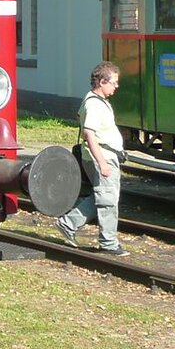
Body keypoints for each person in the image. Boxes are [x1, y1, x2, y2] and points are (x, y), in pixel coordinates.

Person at [56, 61, 128, 256]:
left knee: (103, 196)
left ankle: (68, 223)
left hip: (103, 156)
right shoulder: (94, 105)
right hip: (101, 157)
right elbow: (89, 134)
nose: (116, 86)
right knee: (107, 200)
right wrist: (103, 163)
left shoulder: (98, 101)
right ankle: (108, 243)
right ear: (102, 81)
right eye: (114, 82)